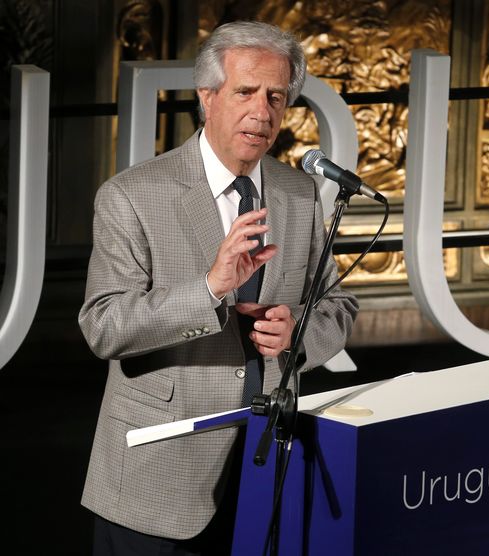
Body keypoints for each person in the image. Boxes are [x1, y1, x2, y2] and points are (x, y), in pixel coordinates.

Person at [79, 20, 358, 555]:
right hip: (157, 482)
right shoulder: (131, 196)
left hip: (270, 468)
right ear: (207, 97)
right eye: (246, 92)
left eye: (277, 96)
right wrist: (208, 287)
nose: (263, 111)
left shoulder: (300, 193)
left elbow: (338, 303)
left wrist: (298, 332)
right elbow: (103, 326)